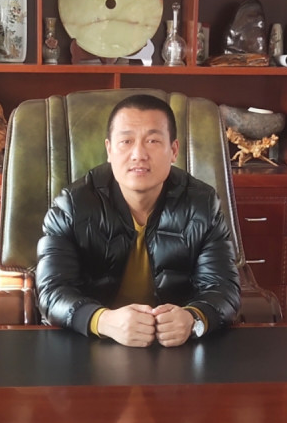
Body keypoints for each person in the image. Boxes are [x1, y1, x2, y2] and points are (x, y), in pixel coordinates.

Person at [35, 93, 241, 348]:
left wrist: (193, 319)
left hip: (174, 345)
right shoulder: (71, 206)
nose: (138, 154)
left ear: (173, 150)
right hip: (93, 343)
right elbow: (52, 291)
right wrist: (103, 320)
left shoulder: (202, 204)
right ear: (109, 150)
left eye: (153, 141)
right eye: (126, 141)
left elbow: (223, 288)